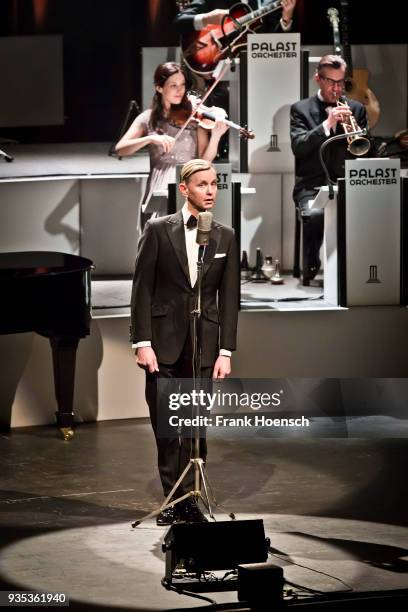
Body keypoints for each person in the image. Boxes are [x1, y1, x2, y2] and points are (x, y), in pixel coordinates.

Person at [130, 158, 239, 525]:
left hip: (204, 343)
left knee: (195, 424)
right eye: (203, 184)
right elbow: (142, 289)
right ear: (184, 189)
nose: (210, 191)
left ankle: (190, 499)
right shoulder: (159, 229)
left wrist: (225, 350)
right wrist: (141, 341)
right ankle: (172, 500)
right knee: (167, 424)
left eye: (214, 184)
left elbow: (230, 299)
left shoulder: (225, 235)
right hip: (163, 342)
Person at [115, 62, 228, 229]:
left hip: (189, 182)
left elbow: (204, 161)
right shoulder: (148, 118)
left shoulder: (193, 117)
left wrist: (216, 137)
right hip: (160, 182)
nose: (179, 90)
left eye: (182, 85)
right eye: (173, 85)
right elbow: (121, 149)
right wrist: (150, 139)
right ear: (159, 88)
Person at [290, 54, 368, 285]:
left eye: (341, 82)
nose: (337, 88)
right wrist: (328, 125)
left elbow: (365, 150)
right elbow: (299, 147)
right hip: (311, 185)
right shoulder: (300, 109)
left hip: (346, 182)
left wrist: (351, 131)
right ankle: (312, 262)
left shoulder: (356, 108)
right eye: (331, 81)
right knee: (314, 215)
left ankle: (356, 268)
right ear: (318, 79)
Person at [174, 0, 297, 35]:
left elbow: (276, 44)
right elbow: (178, 23)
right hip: (219, 73)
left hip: (259, 70)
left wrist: (286, 19)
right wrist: (207, 18)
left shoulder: (269, 3)